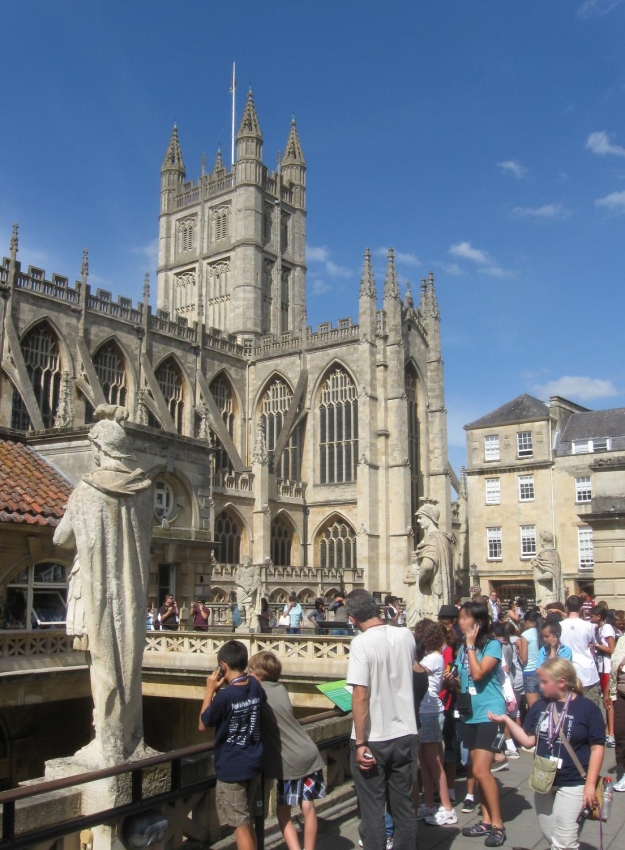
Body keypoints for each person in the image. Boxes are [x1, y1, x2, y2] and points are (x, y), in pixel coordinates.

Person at [489, 658, 605, 850]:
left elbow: (597, 748)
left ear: (561, 682)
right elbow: (528, 741)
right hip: (543, 780)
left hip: (574, 781)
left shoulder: (587, 708)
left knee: (565, 842)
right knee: (550, 834)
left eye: (544, 682)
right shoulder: (540, 705)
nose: (539, 686)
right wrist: (506, 721)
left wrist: (590, 785)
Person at [346, 589, 418, 850]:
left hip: (374, 739)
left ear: (352, 619)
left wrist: (361, 742)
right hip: (406, 733)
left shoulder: (361, 643)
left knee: (372, 810)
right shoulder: (406, 634)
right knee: (404, 808)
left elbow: (360, 696)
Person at [248, 651, 326, 850]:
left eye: (250, 671)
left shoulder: (257, 692)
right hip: (309, 752)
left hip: (289, 760)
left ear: (259, 674)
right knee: (308, 807)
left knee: (283, 813)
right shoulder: (281, 688)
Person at [444, 601, 507, 847]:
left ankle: (498, 825)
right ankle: (487, 819)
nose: (460, 622)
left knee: (481, 770)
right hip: (470, 713)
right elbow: (465, 681)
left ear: (477, 622)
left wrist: (470, 646)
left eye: (464, 618)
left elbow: (480, 674)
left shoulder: (492, 645)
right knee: (477, 769)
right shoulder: (462, 649)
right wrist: (451, 681)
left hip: (490, 714)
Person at [199, 640, 265, 850]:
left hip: (231, 767)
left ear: (222, 666)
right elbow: (260, 698)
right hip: (254, 761)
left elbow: (203, 724)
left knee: (239, 826)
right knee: (247, 821)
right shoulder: (254, 685)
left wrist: (210, 691)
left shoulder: (225, 697)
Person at [414, 619, 457, 825]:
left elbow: (414, 672)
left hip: (431, 712)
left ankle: (447, 807)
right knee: (424, 761)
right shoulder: (432, 657)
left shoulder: (432, 659)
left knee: (433, 760)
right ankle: (429, 804)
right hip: (425, 711)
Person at [560, 596, 601, 707]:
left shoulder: (560, 626)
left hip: (567, 670)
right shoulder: (589, 626)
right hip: (587, 671)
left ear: (566, 608)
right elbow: (593, 643)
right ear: (581, 608)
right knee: (591, 708)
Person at [589, 604, 616, 746]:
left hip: (607, 668)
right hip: (600, 667)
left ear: (598, 616)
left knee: (608, 700)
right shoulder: (597, 628)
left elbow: (612, 649)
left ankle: (611, 733)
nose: (590, 618)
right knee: (606, 701)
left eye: (592, 616)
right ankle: (608, 729)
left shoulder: (607, 628)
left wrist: (597, 645)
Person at [605, 630, 625, 790]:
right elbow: (614, 668)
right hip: (621, 694)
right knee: (620, 732)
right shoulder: (622, 641)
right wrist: (610, 692)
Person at [518, 610, 542, 709]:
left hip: (529, 671)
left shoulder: (525, 635)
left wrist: (519, 647)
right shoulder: (542, 632)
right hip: (542, 670)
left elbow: (524, 658)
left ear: (527, 621)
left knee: (534, 708)